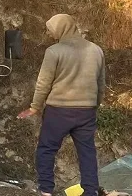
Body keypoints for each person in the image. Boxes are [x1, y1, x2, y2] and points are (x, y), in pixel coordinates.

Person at [17, 14, 106, 196]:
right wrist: (94, 105)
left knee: (47, 149)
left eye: (51, 30)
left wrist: (35, 107)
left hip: (58, 111)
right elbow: (101, 83)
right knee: (87, 153)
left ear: (61, 29)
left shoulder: (54, 51)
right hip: (87, 112)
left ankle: (46, 190)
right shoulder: (96, 50)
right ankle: (90, 191)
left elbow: (43, 83)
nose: (49, 34)